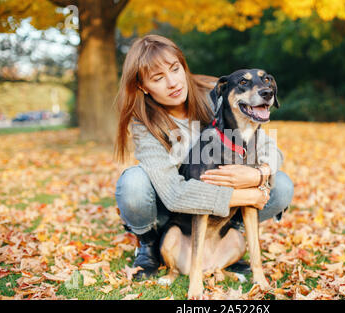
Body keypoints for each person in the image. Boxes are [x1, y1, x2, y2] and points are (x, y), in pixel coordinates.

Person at [113, 34, 294, 279]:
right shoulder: (145, 124)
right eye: (158, 78)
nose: (172, 82)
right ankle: (150, 244)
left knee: (280, 184)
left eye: (175, 69)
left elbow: (270, 148)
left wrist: (258, 173)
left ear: (183, 66)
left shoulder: (218, 94)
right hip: (174, 212)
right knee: (133, 182)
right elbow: (175, 194)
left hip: (221, 204)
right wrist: (246, 194)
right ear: (143, 86)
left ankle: (227, 235)